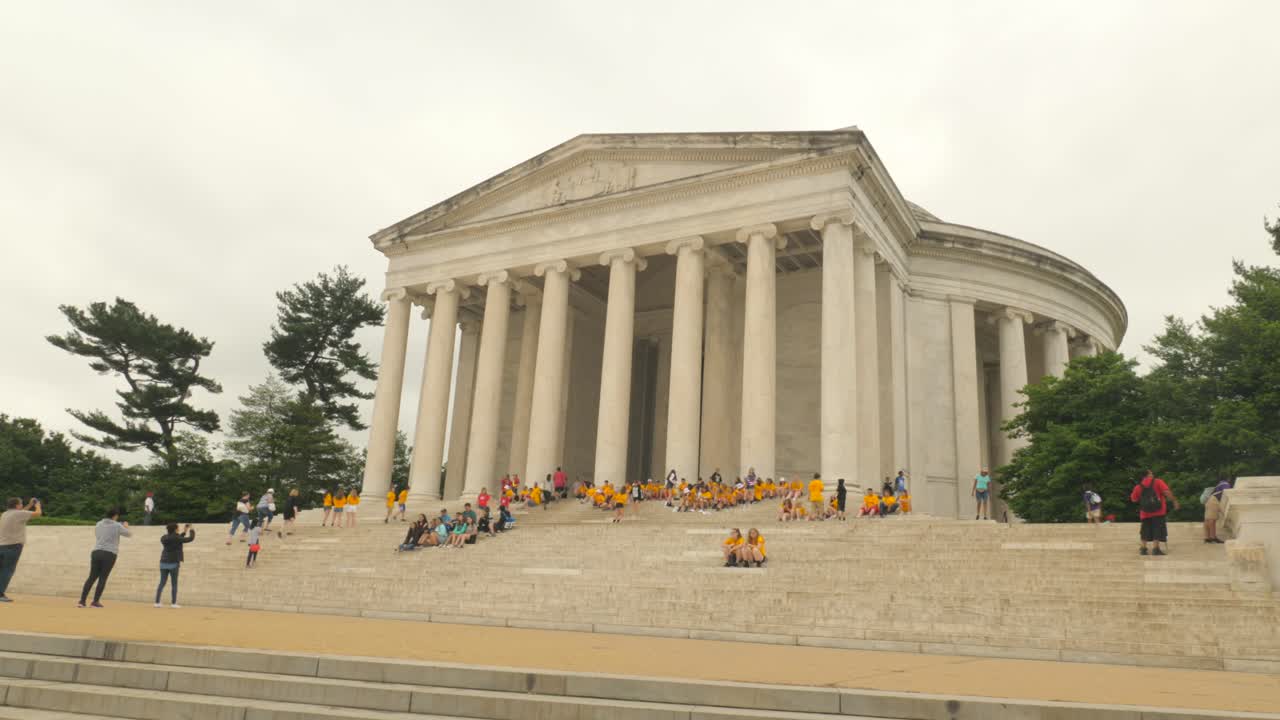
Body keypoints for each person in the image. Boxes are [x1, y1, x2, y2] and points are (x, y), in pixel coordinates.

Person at [78, 508, 130, 608]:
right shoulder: (117, 525)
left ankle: (82, 601)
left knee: (91, 577)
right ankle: (95, 601)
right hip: (109, 553)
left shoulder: (98, 523)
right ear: (115, 516)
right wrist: (126, 526)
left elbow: (97, 535)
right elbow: (128, 534)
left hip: (96, 551)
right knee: (103, 577)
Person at [0, 497, 42, 602]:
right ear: (17, 505)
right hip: (13, 546)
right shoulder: (19, 514)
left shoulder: (5, 514)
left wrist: (29, 505)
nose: (22, 505)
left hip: (2, 545)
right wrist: (37, 505)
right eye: (21, 504)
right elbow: (38, 514)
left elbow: (21, 513)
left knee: (1, 569)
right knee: (8, 570)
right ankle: (0, 594)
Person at [1130, 470, 1180, 556]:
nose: (1153, 474)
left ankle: (1143, 549)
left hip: (1145, 513)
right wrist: (1174, 501)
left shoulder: (1138, 486)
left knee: (1145, 530)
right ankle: (1155, 549)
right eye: (1151, 473)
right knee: (1157, 529)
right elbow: (1166, 492)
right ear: (1148, 475)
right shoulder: (1158, 482)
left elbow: (1134, 499)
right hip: (1159, 511)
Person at [155, 523, 194, 608]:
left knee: (162, 582)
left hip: (163, 562)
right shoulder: (177, 538)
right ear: (176, 529)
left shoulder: (164, 537)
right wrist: (191, 529)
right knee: (174, 583)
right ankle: (173, 603)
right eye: (178, 528)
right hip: (173, 562)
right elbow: (190, 538)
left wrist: (184, 531)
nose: (178, 529)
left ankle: (157, 602)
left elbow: (177, 538)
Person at [1203, 477, 1231, 544]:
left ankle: (1207, 538)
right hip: (1214, 501)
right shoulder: (1225, 484)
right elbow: (1228, 494)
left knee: (1207, 520)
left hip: (1210, 500)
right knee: (1212, 520)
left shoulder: (1220, 483)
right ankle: (1213, 538)